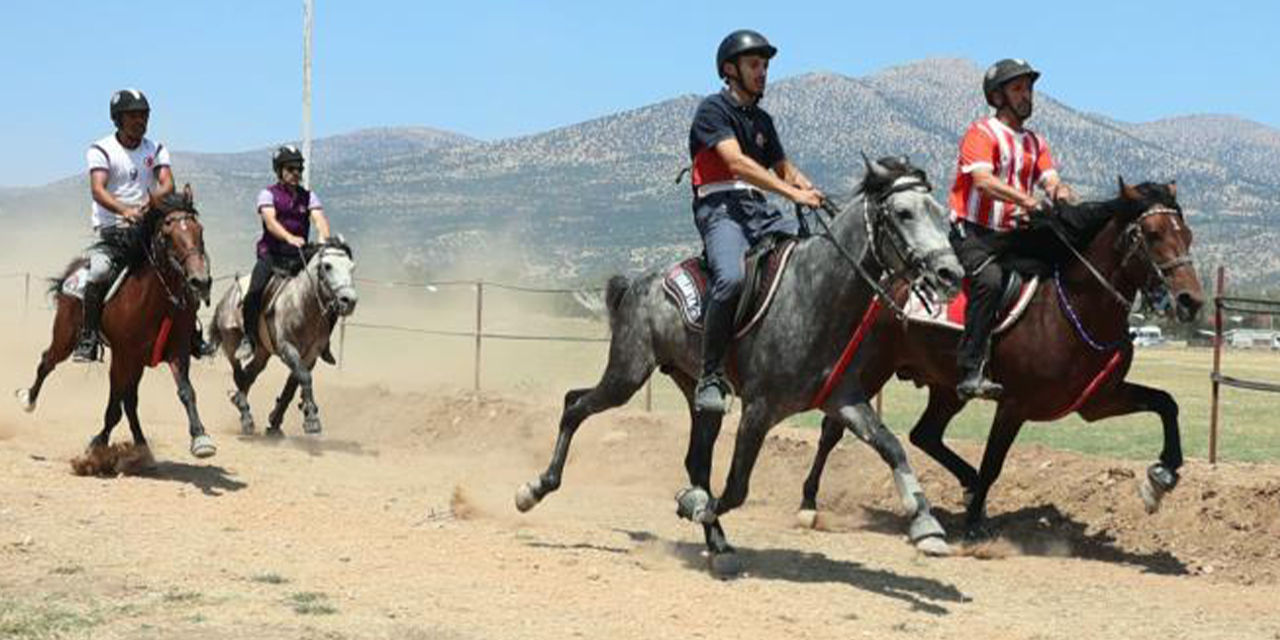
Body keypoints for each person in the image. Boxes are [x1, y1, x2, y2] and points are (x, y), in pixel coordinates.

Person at [687, 29, 824, 414]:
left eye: (764, 65)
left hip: (758, 211)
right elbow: (736, 163)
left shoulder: (763, 120)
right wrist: (792, 195)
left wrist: (806, 185)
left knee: (806, 264)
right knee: (731, 278)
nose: (762, 72)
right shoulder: (713, 110)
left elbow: (782, 167)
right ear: (730, 70)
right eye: (754, 65)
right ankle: (710, 375)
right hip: (721, 209)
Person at [948, 58, 1076, 400]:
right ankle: (970, 370)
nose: (1026, 95)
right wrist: (1028, 201)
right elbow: (983, 181)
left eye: (1029, 88)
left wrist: (1062, 194)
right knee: (989, 281)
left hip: (1012, 237)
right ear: (997, 97)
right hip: (973, 232)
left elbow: (1051, 180)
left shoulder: (1036, 143)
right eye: (1018, 89)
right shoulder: (981, 133)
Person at [74, 89, 174, 363]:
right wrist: (125, 210)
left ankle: (191, 334)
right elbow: (98, 189)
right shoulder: (101, 149)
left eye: (144, 115)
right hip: (112, 230)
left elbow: (167, 183)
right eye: (133, 115)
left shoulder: (156, 149)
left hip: (147, 229)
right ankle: (88, 336)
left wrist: (150, 203)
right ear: (118, 119)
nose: (141, 120)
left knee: (183, 263)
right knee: (99, 272)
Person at [236, 145, 334, 365]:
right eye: (290, 169)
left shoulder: (309, 197)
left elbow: (320, 220)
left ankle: (324, 341)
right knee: (254, 292)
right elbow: (270, 222)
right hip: (272, 254)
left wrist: (324, 241)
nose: (296, 173)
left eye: (299, 169)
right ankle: (249, 339)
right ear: (279, 171)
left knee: (332, 291)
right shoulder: (268, 194)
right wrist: (289, 237)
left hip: (299, 255)